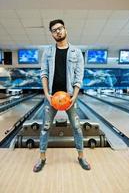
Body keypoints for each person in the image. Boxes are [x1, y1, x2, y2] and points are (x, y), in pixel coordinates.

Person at [33, 19, 91, 172]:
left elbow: (79, 76)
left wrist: (75, 97)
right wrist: (47, 95)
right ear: (52, 34)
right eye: (54, 30)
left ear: (65, 29)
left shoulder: (76, 52)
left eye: (59, 28)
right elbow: (44, 73)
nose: (57, 31)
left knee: (77, 127)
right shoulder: (48, 52)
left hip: (69, 97)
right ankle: (42, 159)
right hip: (52, 97)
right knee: (45, 127)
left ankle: (81, 156)